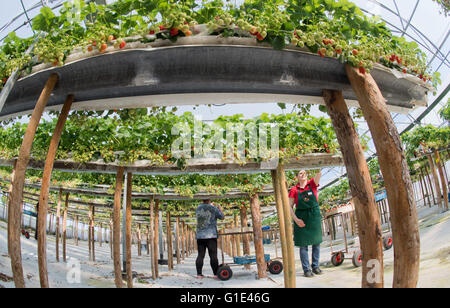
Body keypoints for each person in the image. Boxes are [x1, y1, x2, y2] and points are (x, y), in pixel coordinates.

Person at [289, 169, 323, 277]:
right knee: (303, 245)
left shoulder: (312, 184)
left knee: (316, 242)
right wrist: (296, 220)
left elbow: (318, 173)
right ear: (297, 177)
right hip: (301, 218)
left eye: (304, 172)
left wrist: (317, 166)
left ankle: (315, 266)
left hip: (314, 217)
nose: (302, 174)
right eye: (300, 173)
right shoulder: (294, 190)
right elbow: (289, 207)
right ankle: (306, 269)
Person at [195, 199, 224, 278]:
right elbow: (222, 217)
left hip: (200, 236)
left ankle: (199, 274)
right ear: (209, 199)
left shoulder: (198, 208)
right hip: (211, 235)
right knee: (213, 255)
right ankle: (215, 274)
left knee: (200, 255)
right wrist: (219, 209)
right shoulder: (213, 208)